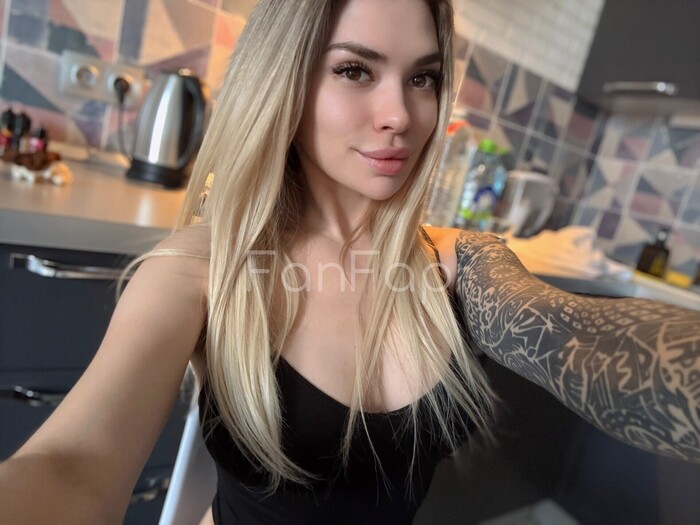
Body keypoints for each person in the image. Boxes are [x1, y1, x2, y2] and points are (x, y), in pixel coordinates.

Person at [1, 0, 699, 523]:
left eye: (423, 77)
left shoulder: (458, 266)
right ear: (285, 80)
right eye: (355, 70)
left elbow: (576, 338)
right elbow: (71, 468)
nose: (401, 114)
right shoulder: (204, 270)